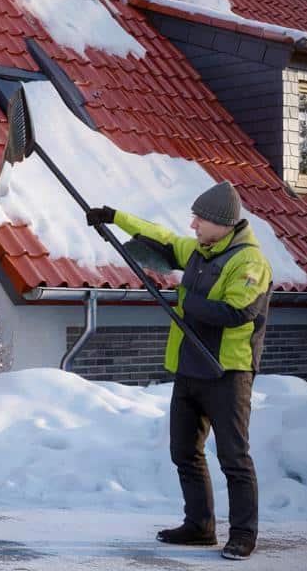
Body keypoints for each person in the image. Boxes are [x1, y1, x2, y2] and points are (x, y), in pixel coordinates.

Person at [86, 181, 272, 561]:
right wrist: (115, 218)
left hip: (227, 374)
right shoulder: (201, 252)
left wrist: (186, 300)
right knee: (184, 451)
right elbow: (164, 239)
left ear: (223, 223)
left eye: (200, 219)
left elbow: (237, 312)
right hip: (190, 369)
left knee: (234, 458)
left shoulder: (249, 262)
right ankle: (200, 526)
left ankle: (242, 535)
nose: (193, 225)